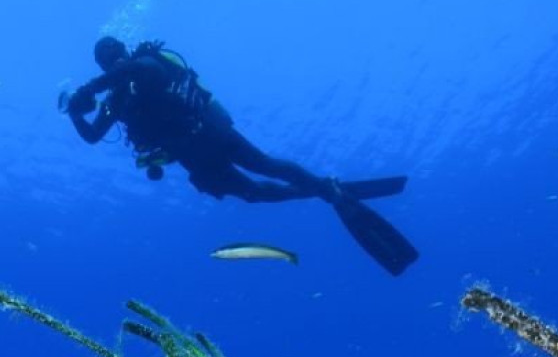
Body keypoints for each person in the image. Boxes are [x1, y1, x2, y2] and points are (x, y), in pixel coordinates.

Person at [63, 37, 419, 275]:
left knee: (266, 165)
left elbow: (133, 71)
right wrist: (75, 112)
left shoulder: (146, 63)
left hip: (209, 133)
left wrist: (86, 89)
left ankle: (327, 190)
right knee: (253, 194)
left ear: (122, 52)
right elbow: (93, 136)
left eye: (114, 53)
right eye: (105, 59)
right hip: (191, 158)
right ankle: (324, 190)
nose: (112, 60)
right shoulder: (116, 100)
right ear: (101, 65)